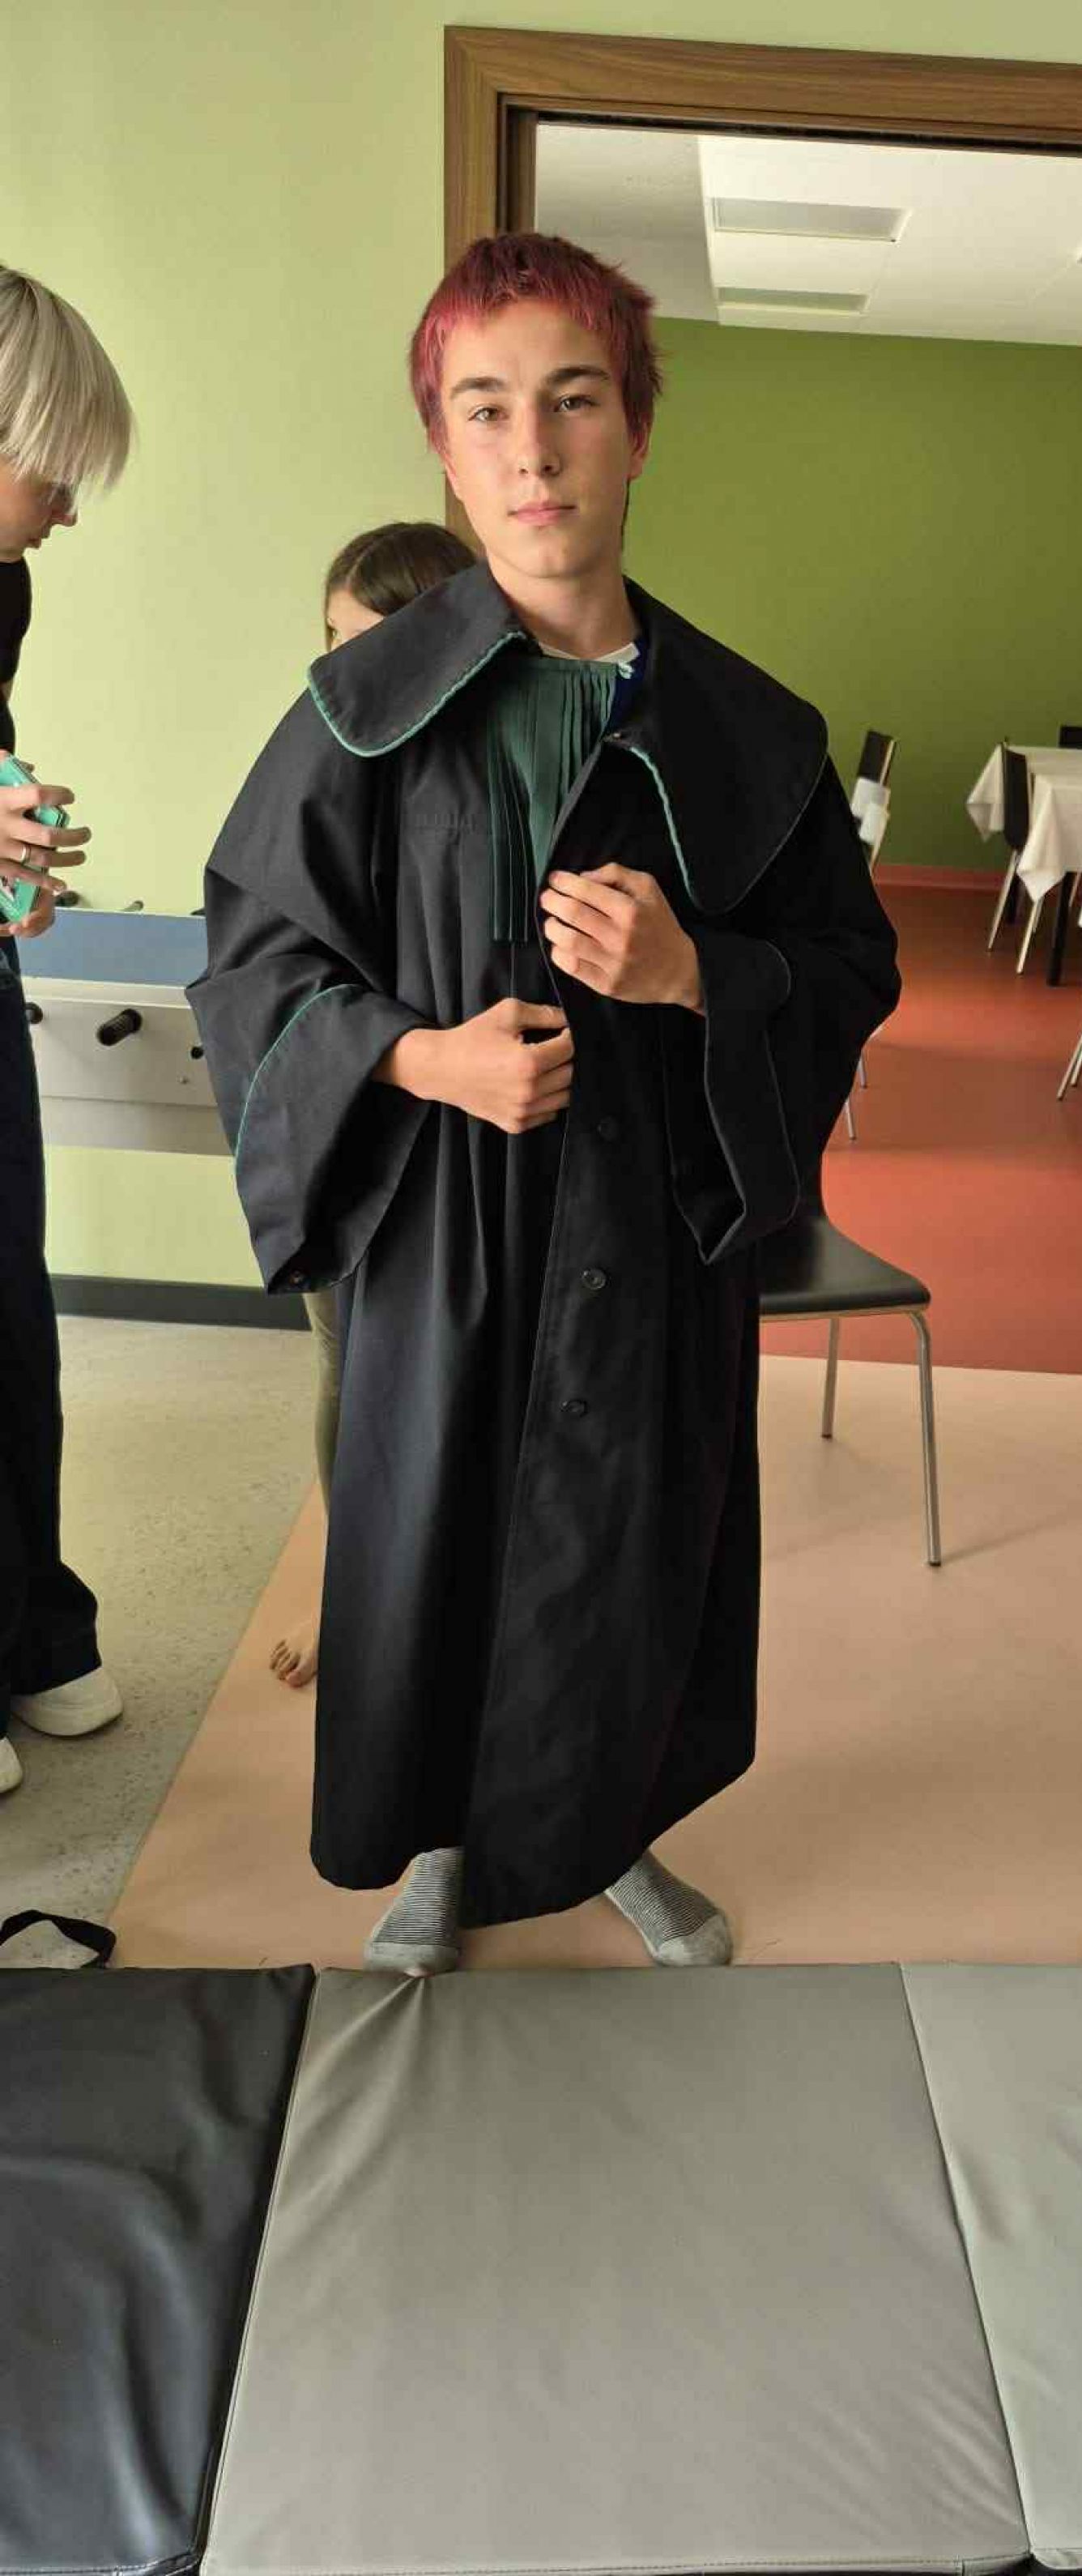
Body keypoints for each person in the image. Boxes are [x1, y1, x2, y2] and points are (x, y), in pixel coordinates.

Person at [191, 232, 898, 1972]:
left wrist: (699, 975)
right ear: (444, 445)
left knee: (630, 1545)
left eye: (574, 402)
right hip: (446, 1228)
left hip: (651, 1231)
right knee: (439, 1540)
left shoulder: (752, 730)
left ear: (638, 429)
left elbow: (849, 968)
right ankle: (448, 1849)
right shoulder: (362, 715)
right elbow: (255, 961)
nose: (534, 451)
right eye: (487, 409)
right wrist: (422, 1058)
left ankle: (610, 1837)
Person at [270, 519, 476, 1694]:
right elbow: (277, 961)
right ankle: (352, 1596)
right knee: (346, 1369)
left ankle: (451, 1612)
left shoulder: (504, 772)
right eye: (330, 640)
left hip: (476, 1134)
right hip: (356, 1121)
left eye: (367, 645)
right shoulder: (313, 773)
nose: (337, 673)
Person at [0, 265, 133, 1798]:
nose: (69, 511)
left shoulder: (4, 585)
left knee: (9, 1315)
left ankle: (32, 1628)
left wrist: (15, 868)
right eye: (55, 474)